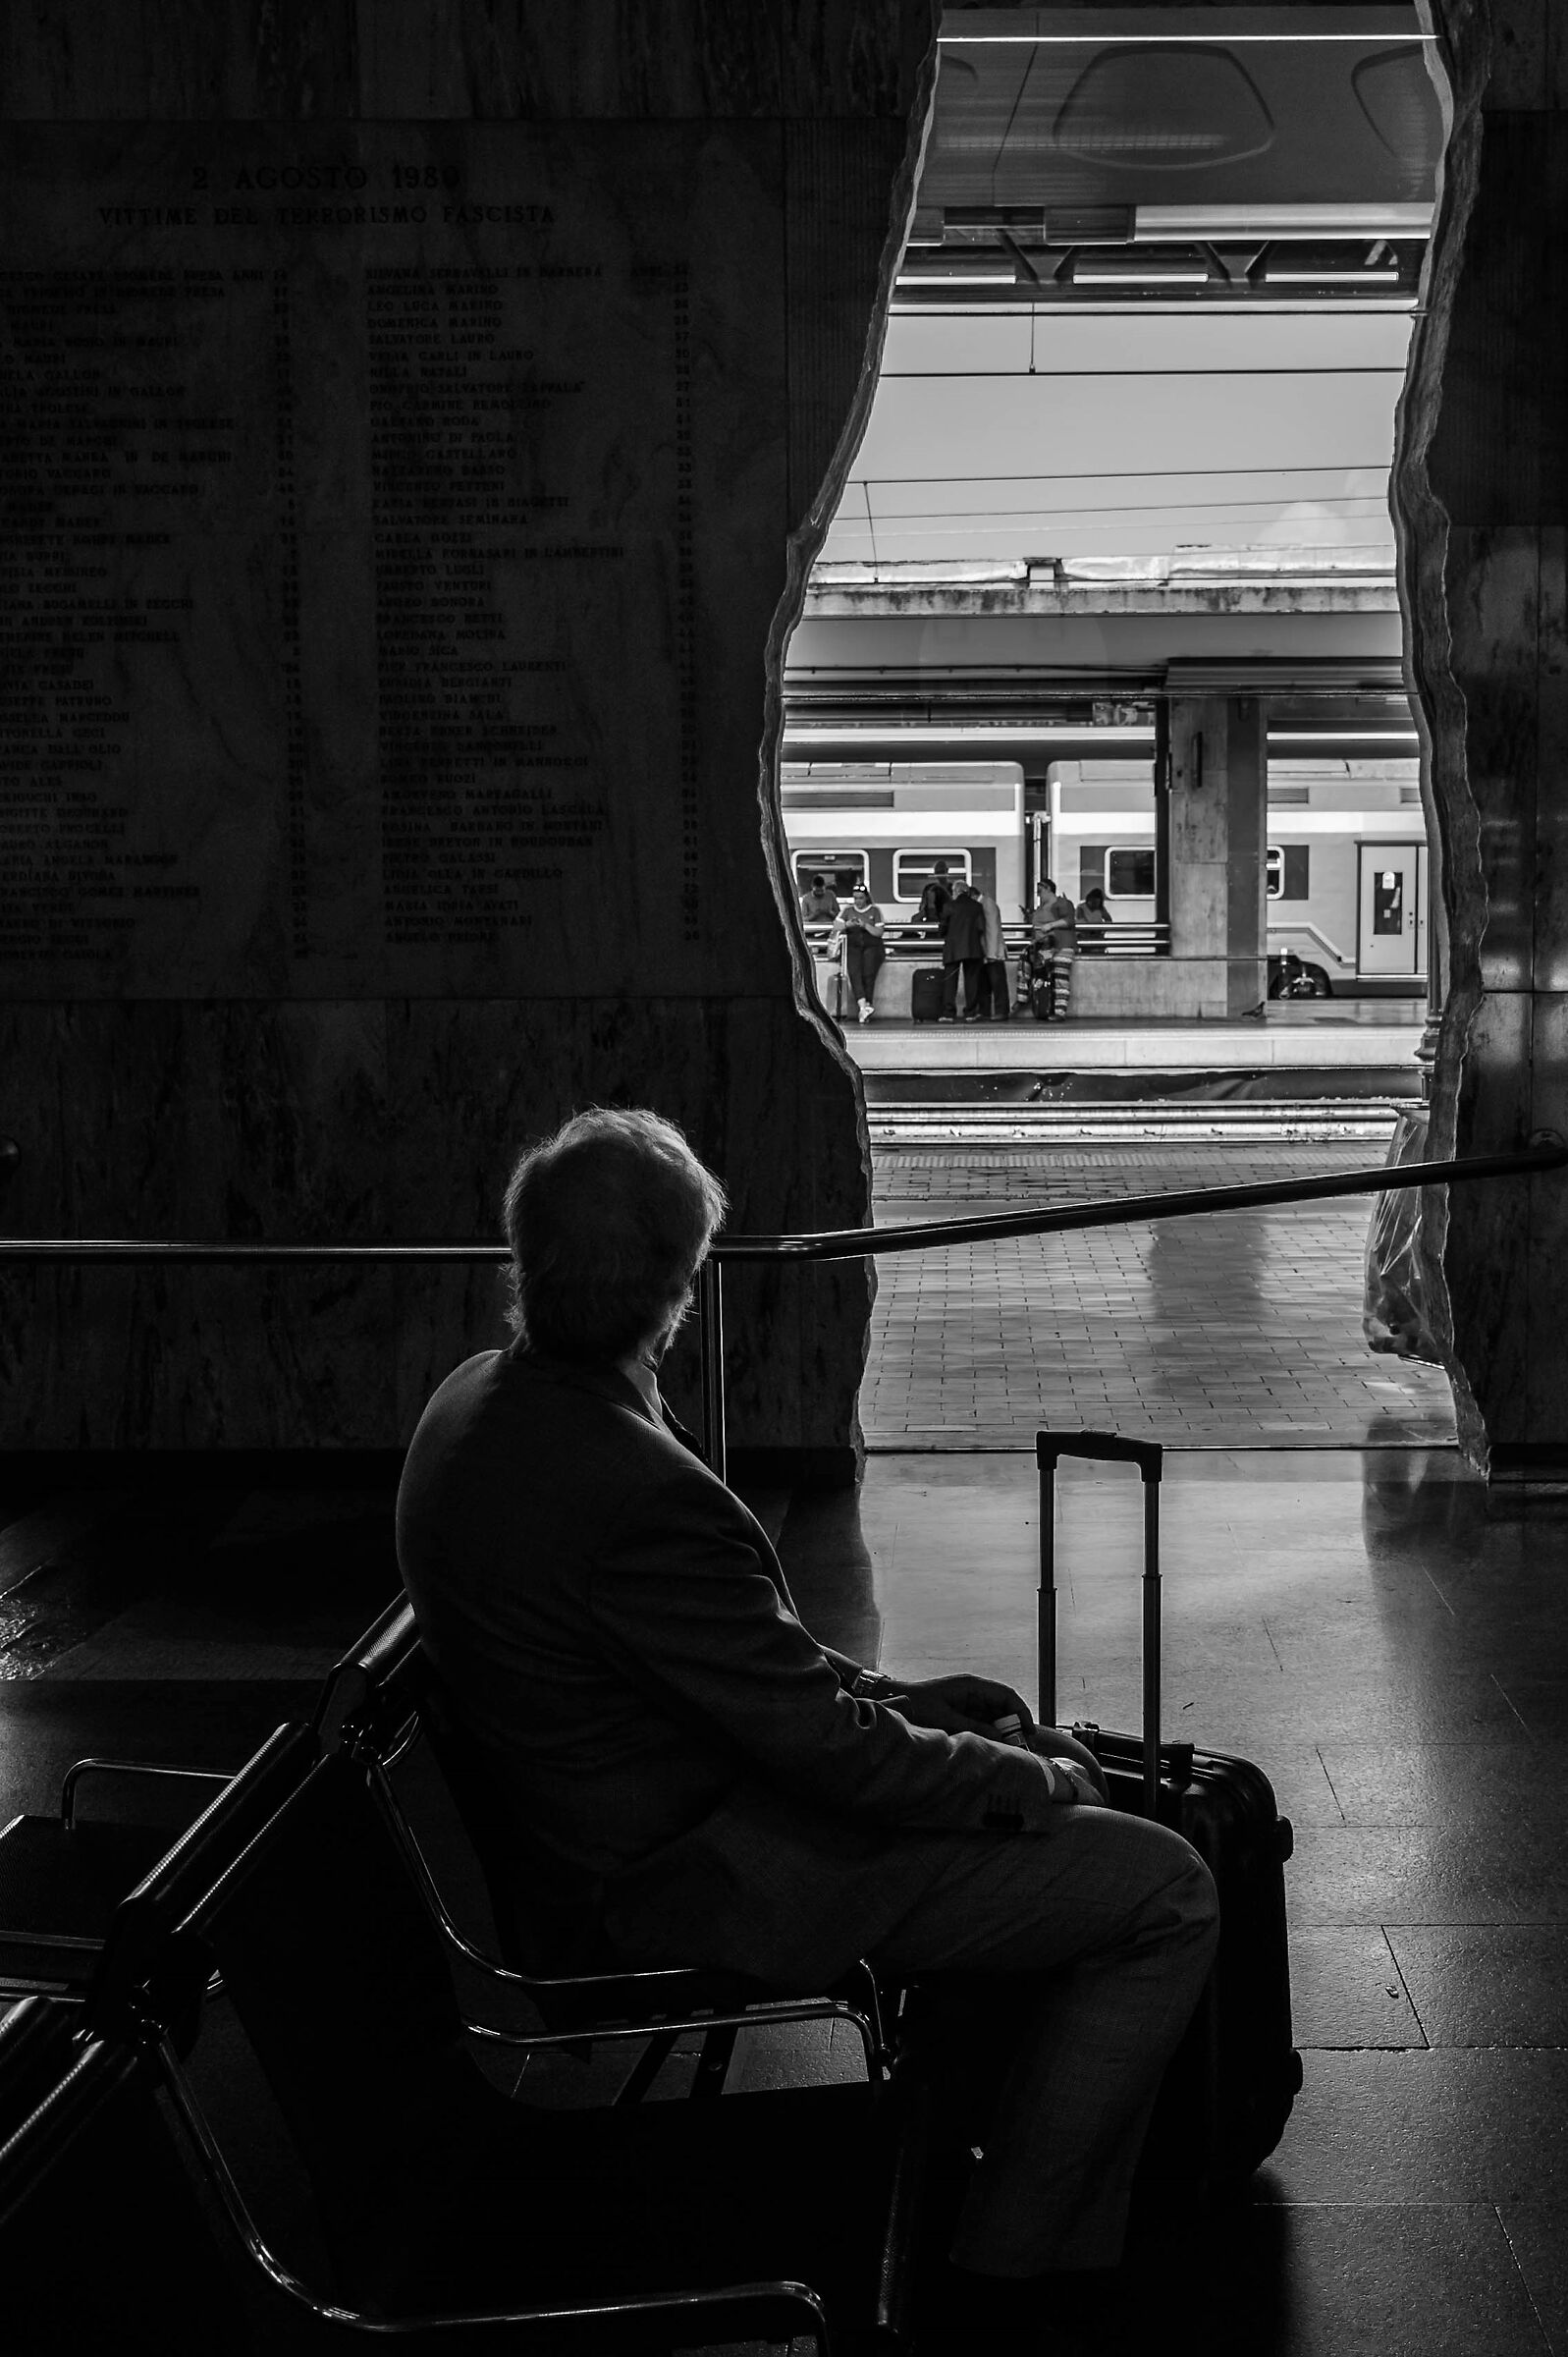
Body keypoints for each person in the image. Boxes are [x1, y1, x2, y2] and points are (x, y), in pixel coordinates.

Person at [397, 1109, 1217, 2326]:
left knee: (1020, 1777)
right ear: (680, 1289)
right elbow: (832, 1763)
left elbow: (736, 1668)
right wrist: (1018, 1780)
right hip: (694, 1872)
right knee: (1166, 1886)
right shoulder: (635, 1486)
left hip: (606, 1825)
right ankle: (1015, 2269)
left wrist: (911, 1703)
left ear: (525, 1260)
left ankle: (1005, 2156)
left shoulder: (481, 1402)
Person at [827, 880, 885, 1023]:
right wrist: (848, 924)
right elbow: (836, 926)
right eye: (856, 898)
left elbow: (878, 932)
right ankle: (863, 1006)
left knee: (868, 975)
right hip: (853, 947)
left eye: (860, 898)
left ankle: (867, 1006)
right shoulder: (847, 910)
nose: (858, 901)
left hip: (872, 947)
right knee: (854, 974)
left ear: (866, 898)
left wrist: (865, 925)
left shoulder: (875, 911)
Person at [938, 880, 988, 1021]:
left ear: (955, 892)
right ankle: (970, 1013)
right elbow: (981, 928)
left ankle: (949, 1013)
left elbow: (942, 929)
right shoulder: (977, 907)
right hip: (972, 948)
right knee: (972, 981)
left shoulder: (949, 906)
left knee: (950, 981)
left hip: (953, 949)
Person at [1032, 880, 1077, 1022]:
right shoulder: (1042, 907)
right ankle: (1046, 1007)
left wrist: (1050, 925)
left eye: (1040, 891)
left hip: (1062, 945)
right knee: (1043, 975)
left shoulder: (1062, 903)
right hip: (1046, 948)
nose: (1039, 895)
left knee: (1060, 977)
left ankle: (1059, 1011)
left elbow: (1069, 921)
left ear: (1048, 889)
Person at [977, 883, 1010, 1021]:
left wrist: (990, 953)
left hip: (993, 952)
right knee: (985, 983)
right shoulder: (985, 903)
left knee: (997, 984)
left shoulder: (987, 904)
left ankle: (1001, 1011)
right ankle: (984, 1011)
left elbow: (992, 930)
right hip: (986, 951)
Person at [917, 857, 953, 933]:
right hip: (934, 922)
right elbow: (922, 907)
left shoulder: (953, 888)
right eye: (938, 872)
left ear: (947, 871)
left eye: (941, 872)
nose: (940, 875)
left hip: (947, 924)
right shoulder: (929, 888)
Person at [1075, 885, 1112, 955]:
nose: (1094, 904)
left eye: (1097, 902)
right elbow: (1080, 921)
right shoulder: (1081, 908)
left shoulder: (1101, 909)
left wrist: (1102, 930)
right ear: (1089, 899)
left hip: (1098, 936)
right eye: (1093, 901)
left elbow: (1109, 920)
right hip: (1085, 936)